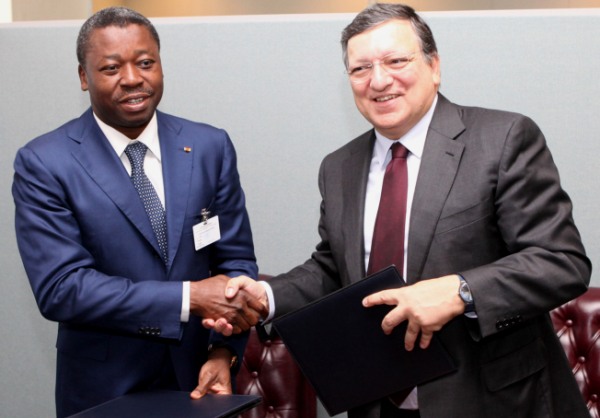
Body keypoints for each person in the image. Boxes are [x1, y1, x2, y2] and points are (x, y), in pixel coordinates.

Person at [209, 3, 592, 418]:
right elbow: (334, 268)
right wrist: (265, 296)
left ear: (434, 66)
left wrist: (460, 291)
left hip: (492, 401)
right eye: (360, 69)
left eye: (396, 61)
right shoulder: (339, 167)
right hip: (377, 399)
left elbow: (560, 262)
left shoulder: (501, 140)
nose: (378, 80)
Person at [12, 7, 264, 418]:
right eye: (111, 68)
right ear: (83, 77)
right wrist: (188, 297)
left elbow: (235, 263)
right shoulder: (45, 162)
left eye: (145, 63)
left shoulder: (209, 147)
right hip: (103, 392)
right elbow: (62, 288)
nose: (132, 78)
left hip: (198, 384)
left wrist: (223, 353)